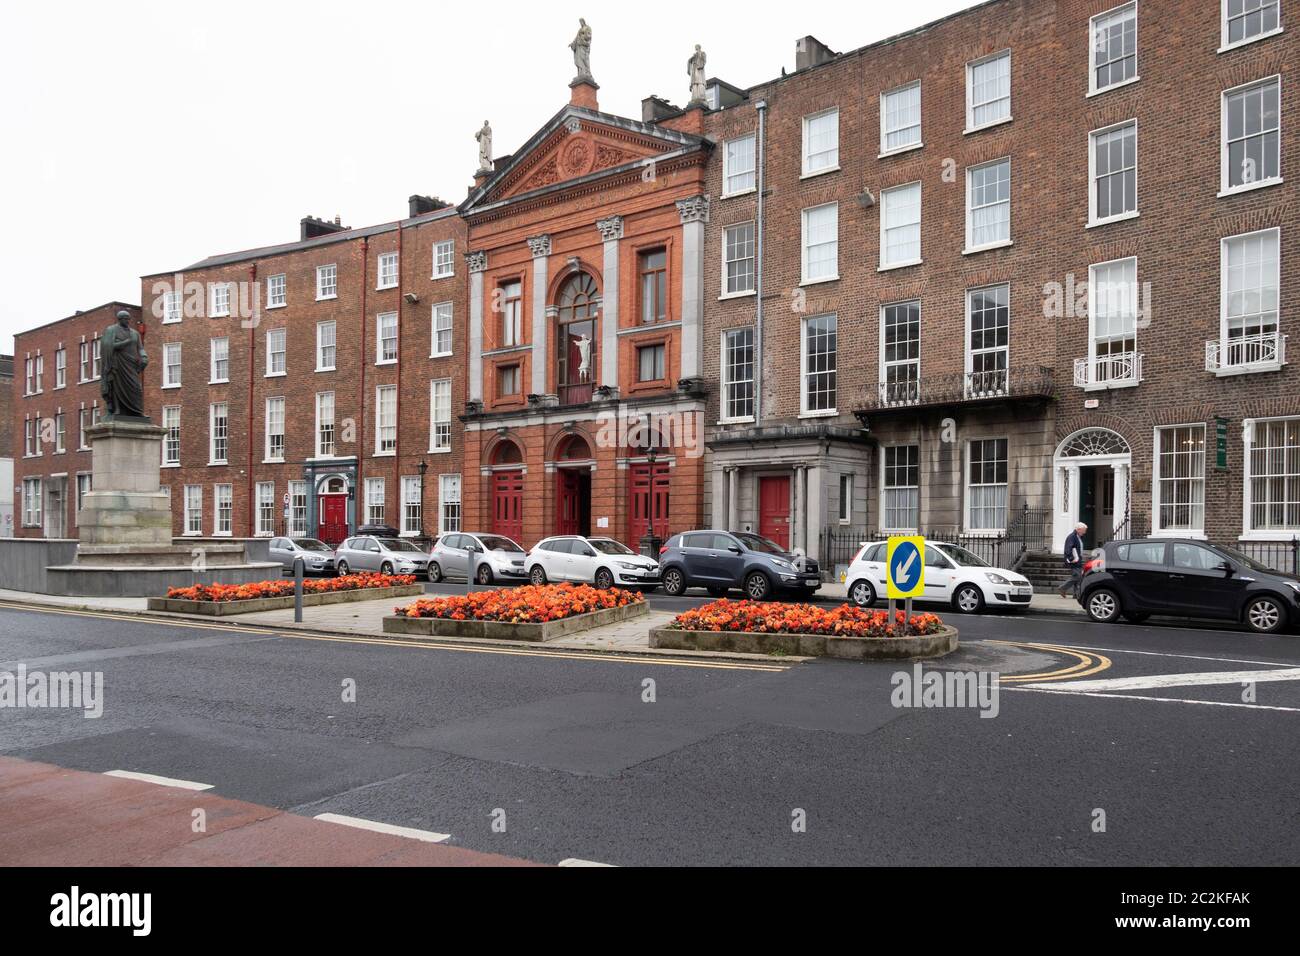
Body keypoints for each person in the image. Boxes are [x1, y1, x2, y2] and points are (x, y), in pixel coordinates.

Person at [1058, 522, 1088, 599]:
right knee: (1078, 576)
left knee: (1078, 576)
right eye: (1084, 530)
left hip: (1078, 559)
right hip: (1074, 560)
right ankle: (1063, 588)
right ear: (1078, 529)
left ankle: (1076, 594)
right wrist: (1071, 559)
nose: (1085, 532)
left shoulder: (1078, 536)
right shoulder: (1072, 537)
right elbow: (1068, 549)